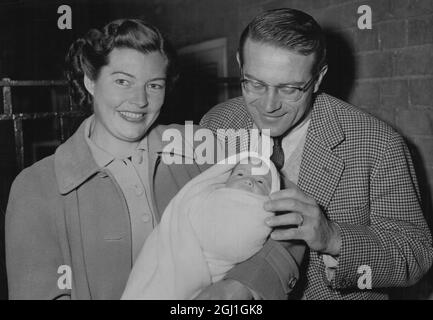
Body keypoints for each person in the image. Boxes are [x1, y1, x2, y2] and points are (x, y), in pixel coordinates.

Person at [5, 18, 301, 300]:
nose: (140, 100)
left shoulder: (200, 146)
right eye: (123, 81)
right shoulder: (37, 187)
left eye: (154, 85)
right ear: (91, 81)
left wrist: (241, 287)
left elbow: (291, 213)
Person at [200, 8, 433, 299]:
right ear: (239, 64)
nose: (268, 105)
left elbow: (416, 252)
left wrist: (333, 237)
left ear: (319, 77)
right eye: (255, 83)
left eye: (290, 89)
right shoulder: (216, 123)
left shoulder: (379, 143)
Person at [121, 153, 280, 299]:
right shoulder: (210, 194)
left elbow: (236, 243)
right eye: (240, 174)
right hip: (173, 249)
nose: (248, 180)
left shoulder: (261, 212)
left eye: (260, 181)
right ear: (226, 178)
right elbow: (187, 210)